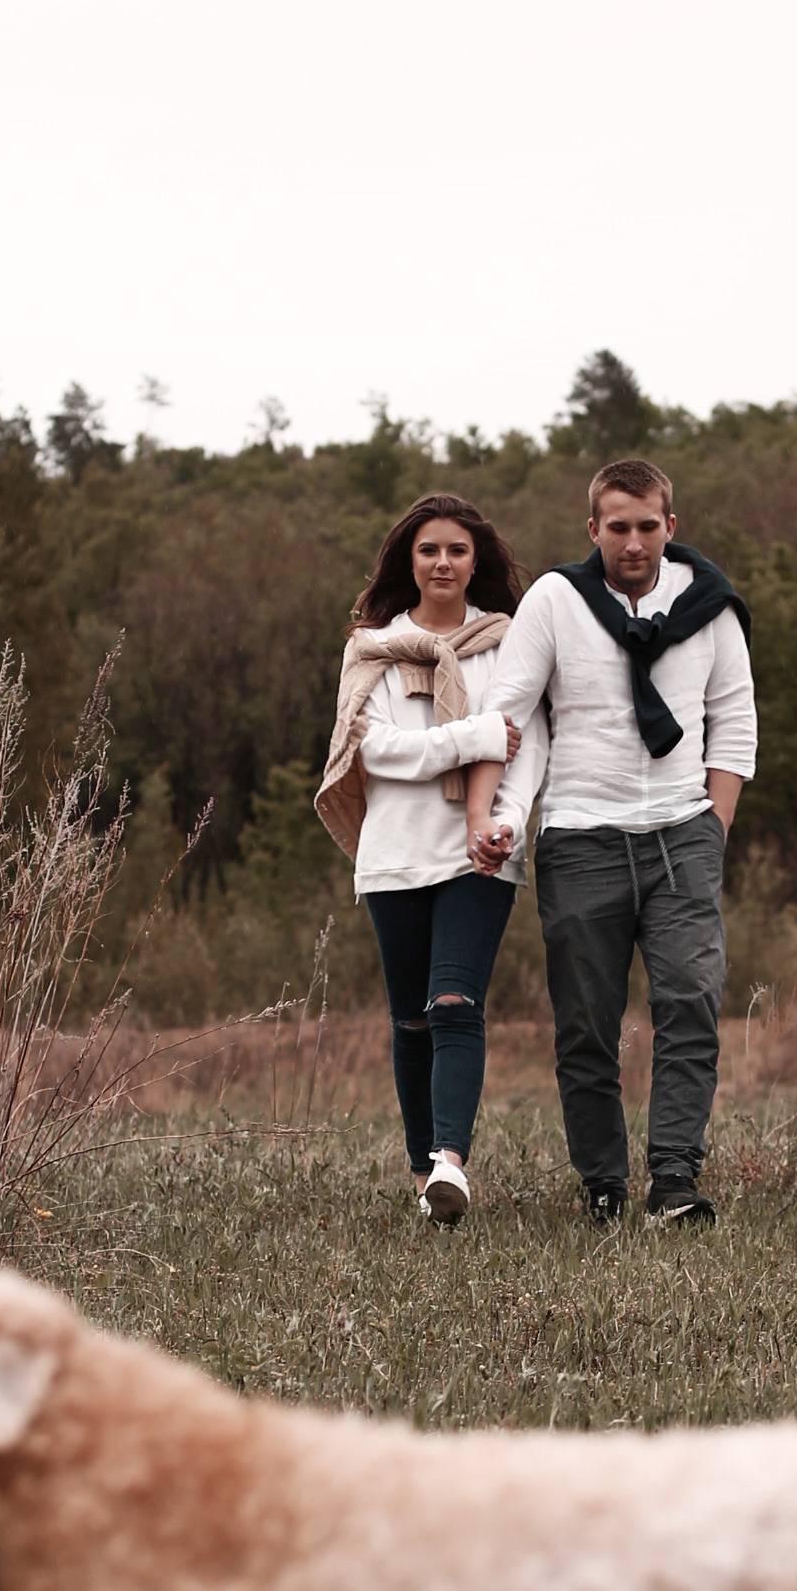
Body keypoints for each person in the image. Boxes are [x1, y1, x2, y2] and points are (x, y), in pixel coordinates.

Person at [468, 455, 756, 1224]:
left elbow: (735, 725)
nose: (634, 542)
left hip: (681, 835)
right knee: (587, 1022)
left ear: (672, 526)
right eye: (618, 527)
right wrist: (502, 815)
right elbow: (512, 714)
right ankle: (603, 1182)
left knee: (690, 1003)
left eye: (648, 526)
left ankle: (674, 1179)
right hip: (581, 837)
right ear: (593, 528)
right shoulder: (555, 602)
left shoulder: (712, 606)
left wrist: (711, 831)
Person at [316, 491, 546, 1223]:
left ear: (477, 559)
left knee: (454, 1003)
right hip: (395, 853)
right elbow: (373, 750)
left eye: (456, 549)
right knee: (411, 1018)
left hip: (479, 854)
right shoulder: (373, 649)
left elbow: (527, 746)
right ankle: (425, 1178)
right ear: (406, 561)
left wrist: (506, 822)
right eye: (428, 549)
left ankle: (452, 1159)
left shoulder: (510, 644)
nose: (442, 561)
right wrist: (471, 739)